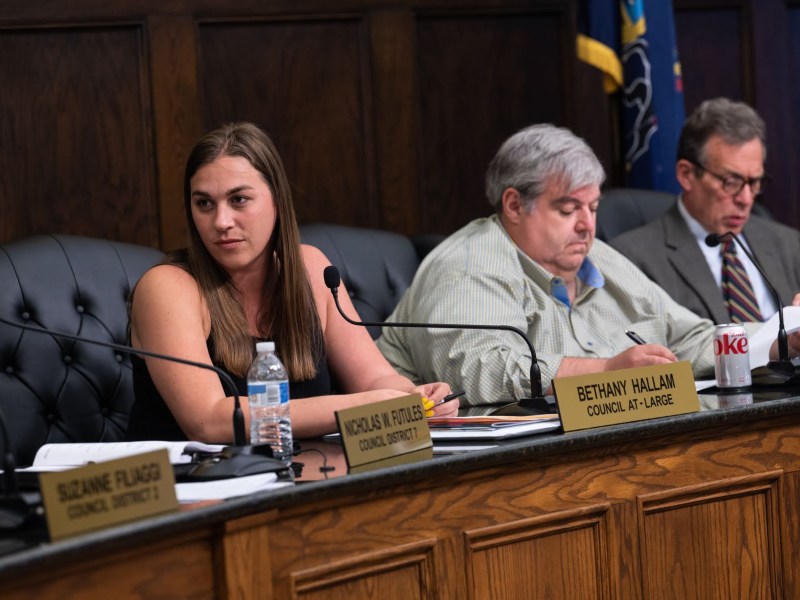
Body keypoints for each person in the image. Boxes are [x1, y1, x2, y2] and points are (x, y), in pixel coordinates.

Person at [126, 122, 457, 443]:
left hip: (307, 475)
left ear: (278, 202)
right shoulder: (169, 287)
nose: (221, 221)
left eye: (238, 200)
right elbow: (211, 421)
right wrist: (359, 407)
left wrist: (416, 397)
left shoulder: (310, 267)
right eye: (204, 204)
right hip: (196, 490)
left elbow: (373, 378)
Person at [377, 124, 740, 406]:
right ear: (515, 205)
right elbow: (476, 372)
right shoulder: (469, 265)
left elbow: (688, 337)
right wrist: (606, 371)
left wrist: (780, 339)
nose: (587, 225)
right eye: (567, 209)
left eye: (593, 208)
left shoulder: (597, 255)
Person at [610, 98, 800, 324]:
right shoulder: (633, 259)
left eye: (755, 182)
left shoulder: (788, 243)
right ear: (687, 175)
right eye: (731, 181)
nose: (746, 199)